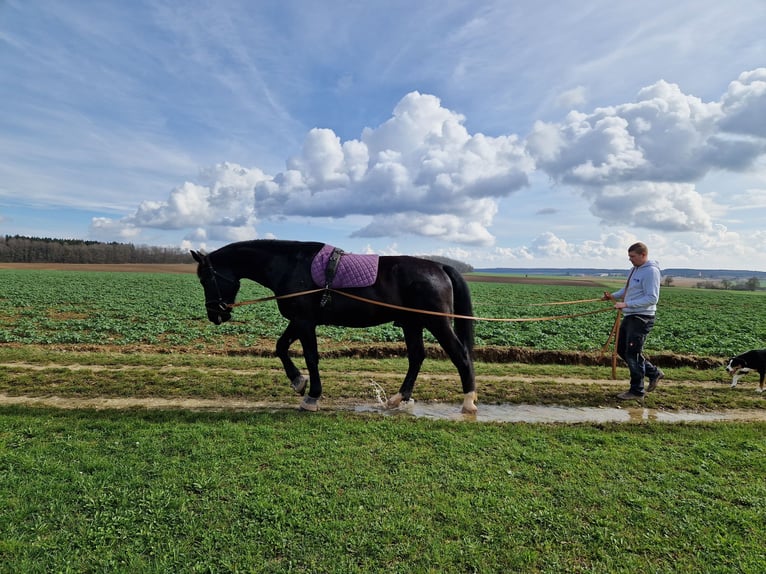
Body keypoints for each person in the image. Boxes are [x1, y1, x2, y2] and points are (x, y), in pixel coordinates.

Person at [603, 242, 664, 400]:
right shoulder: (634, 269)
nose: (630, 259)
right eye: (629, 256)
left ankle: (637, 391)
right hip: (630, 315)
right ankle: (653, 372)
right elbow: (627, 290)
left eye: (632, 256)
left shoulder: (651, 271)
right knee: (621, 349)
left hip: (641, 318)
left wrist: (626, 304)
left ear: (643, 255)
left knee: (632, 354)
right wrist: (613, 296)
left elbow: (652, 298)